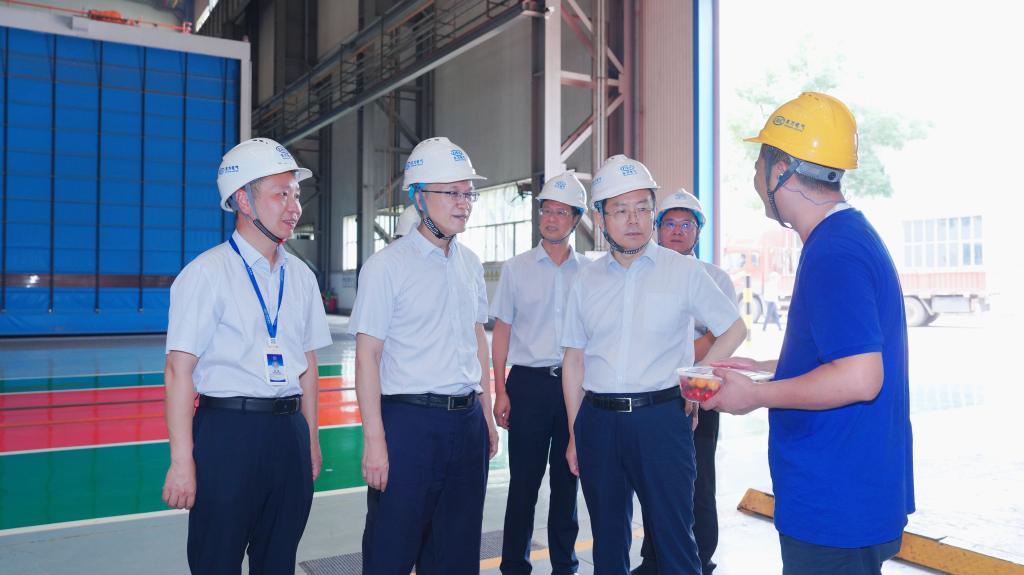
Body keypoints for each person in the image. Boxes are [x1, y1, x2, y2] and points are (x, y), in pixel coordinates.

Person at [704, 92, 914, 575]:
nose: (755, 175)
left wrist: (756, 395)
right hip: (850, 487)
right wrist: (764, 367)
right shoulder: (847, 238)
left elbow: (861, 377)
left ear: (782, 170)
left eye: (760, 163)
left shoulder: (833, 253)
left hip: (834, 498)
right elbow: (845, 353)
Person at [561, 155, 747, 574]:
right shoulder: (586, 279)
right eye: (620, 210)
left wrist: (697, 382)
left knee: (674, 538)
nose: (633, 219)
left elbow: (733, 329)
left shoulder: (682, 271)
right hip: (598, 422)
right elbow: (574, 358)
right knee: (608, 540)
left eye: (642, 208)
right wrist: (575, 432)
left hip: (662, 419)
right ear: (600, 217)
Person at [162, 137, 332, 573]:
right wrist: (182, 460)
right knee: (216, 560)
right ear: (243, 200)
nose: (294, 207)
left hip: (289, 433)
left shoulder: (301, 277)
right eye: (281, 194)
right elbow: (179, 370)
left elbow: (308, 366)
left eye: (296, 194)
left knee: (279, 559)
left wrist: (310, 439)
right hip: (228, 435)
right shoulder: (206, 274)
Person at [349, 136, 500, 575]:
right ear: (419, 197)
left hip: (466, 423)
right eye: (452, 193)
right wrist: (375, 441)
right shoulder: (386, 267)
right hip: (409, 425)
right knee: (391, 549)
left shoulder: (470, 263)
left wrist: (486, 416)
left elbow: (477, 341)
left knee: (457, 551)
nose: (464, 204)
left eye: (468, 193)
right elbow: (367, 356)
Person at [633, 189, 738, 575]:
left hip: (699, 388)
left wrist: (678, 356)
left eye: (687, 225)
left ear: (698, 232)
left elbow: (721, 333)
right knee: (654, 478)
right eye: (670, 224)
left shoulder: (715, 278)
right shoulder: (642, 273)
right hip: (652, 392)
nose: (677, 231)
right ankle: (654, 557)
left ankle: (700, 556)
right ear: (657, 229)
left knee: (698, 477)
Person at [491, 171, 589, 575]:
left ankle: (565, 566)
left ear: (576, 218)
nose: (551, 218)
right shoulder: (516, 269)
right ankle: (514, 566)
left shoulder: (590, 272)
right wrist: (500, 389)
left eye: (561, 212)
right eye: (546, 210)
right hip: (528, 387)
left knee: (568, 482)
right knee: (523, 485)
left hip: (574, 387)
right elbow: (501, 332)